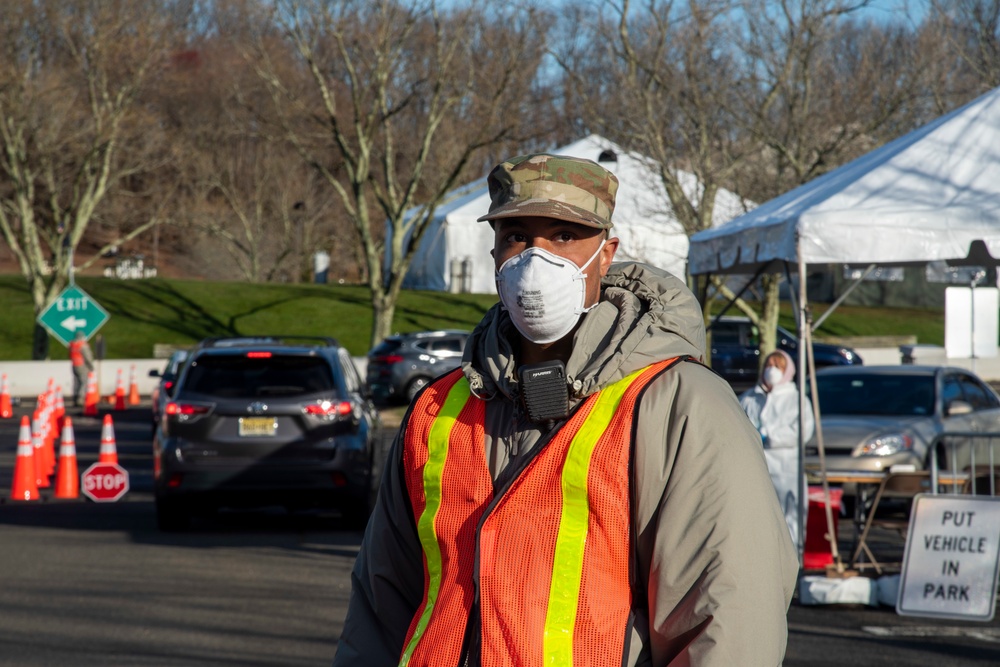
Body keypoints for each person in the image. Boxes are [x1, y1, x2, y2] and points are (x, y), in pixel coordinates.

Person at [334, 154, 797, 666]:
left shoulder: (680, 406)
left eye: (562, 235)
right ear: (494, 251)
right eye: (515, 236)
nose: (536, 259)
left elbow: (728, 619)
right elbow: (380, 606)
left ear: (606, 253)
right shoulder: (438, 411)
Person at [739, 349, 815, 549]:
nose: (772, 370)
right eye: (769, 365)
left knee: (790, 518)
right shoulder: (750, 398)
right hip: (756, 468)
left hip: (786, 469)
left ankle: (793, 564)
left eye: (778, 366)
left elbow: (802, 431)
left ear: (787, 371)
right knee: (757, 518)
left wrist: (769, 435)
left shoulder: (796, 400)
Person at [68, 330, 94, 407]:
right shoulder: (82, 345)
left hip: (74, 365)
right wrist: (91, 366)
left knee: (76, 382)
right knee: (83, 382)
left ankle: (75, 398)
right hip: (82, 365)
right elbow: (88, 357)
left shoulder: (72, 345)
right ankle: (80, 398)